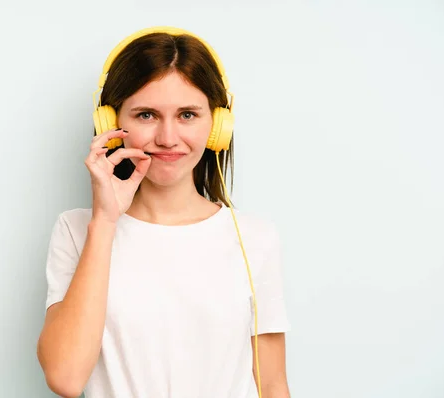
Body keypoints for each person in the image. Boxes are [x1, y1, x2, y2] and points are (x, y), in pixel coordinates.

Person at [37, 26, 291, 398]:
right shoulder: (78, 229)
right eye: (146, 115)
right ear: (111, 124)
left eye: (188, 114)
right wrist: (106, 222)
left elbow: (272, 385)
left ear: (218, 126)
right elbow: (65, 378)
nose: (168, 138)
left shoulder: (254, 237)